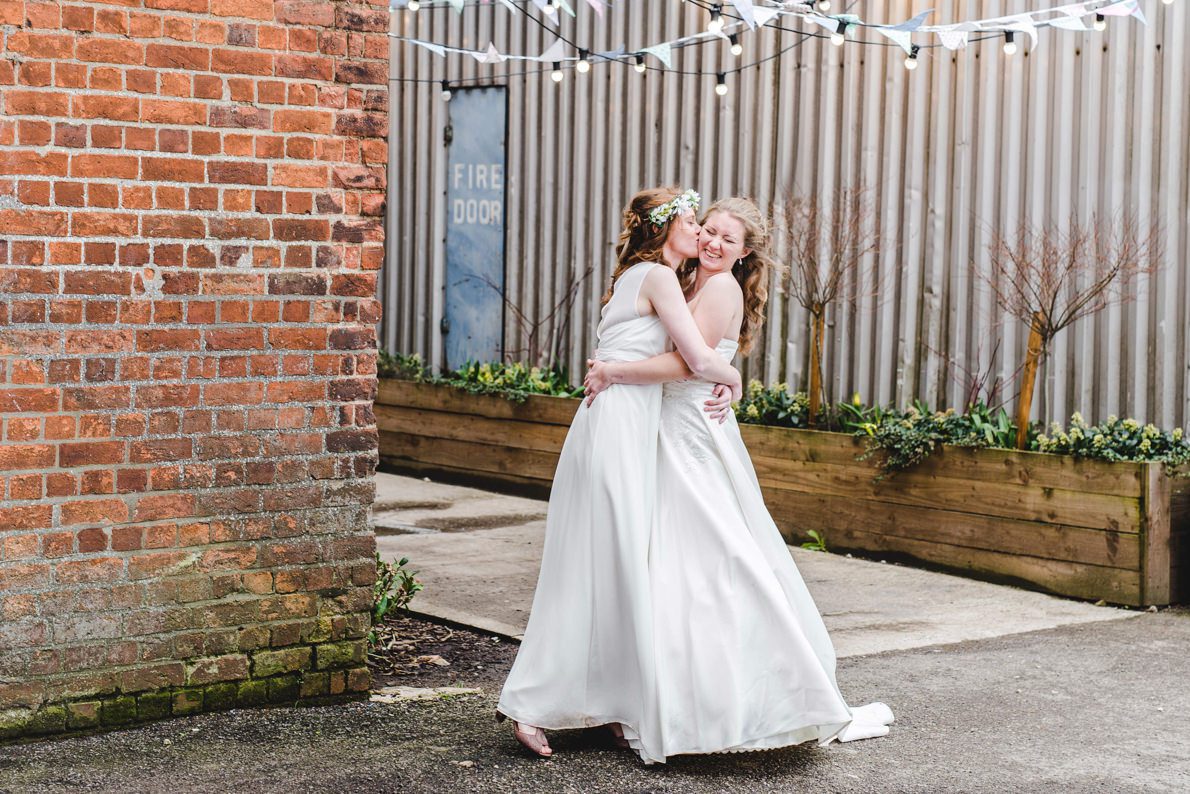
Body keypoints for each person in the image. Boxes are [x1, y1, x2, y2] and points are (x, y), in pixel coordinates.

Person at [584, 197, 894, 762]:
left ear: (745, 251)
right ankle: (662, 693)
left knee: (718, 553)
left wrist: (616, 371)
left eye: (728, 239)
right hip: (669, 428)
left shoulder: (720, 287)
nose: (714, 243)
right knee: (678, 562)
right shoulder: (682, 279)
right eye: (709, 231)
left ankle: (741, 697)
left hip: (690, 434)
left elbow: (687, 364)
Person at [495, 187, 742, 762]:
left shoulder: (650, 277)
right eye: (689, 220)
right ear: (664, 230)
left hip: (623, 423)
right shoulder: (657, 277)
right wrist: (734, 379)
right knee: (600, 563)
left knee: (618, 566)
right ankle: (530, 705)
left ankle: (611, 701)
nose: (699, 232)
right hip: (621, 425)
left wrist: (614, 369)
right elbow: (696, 362)